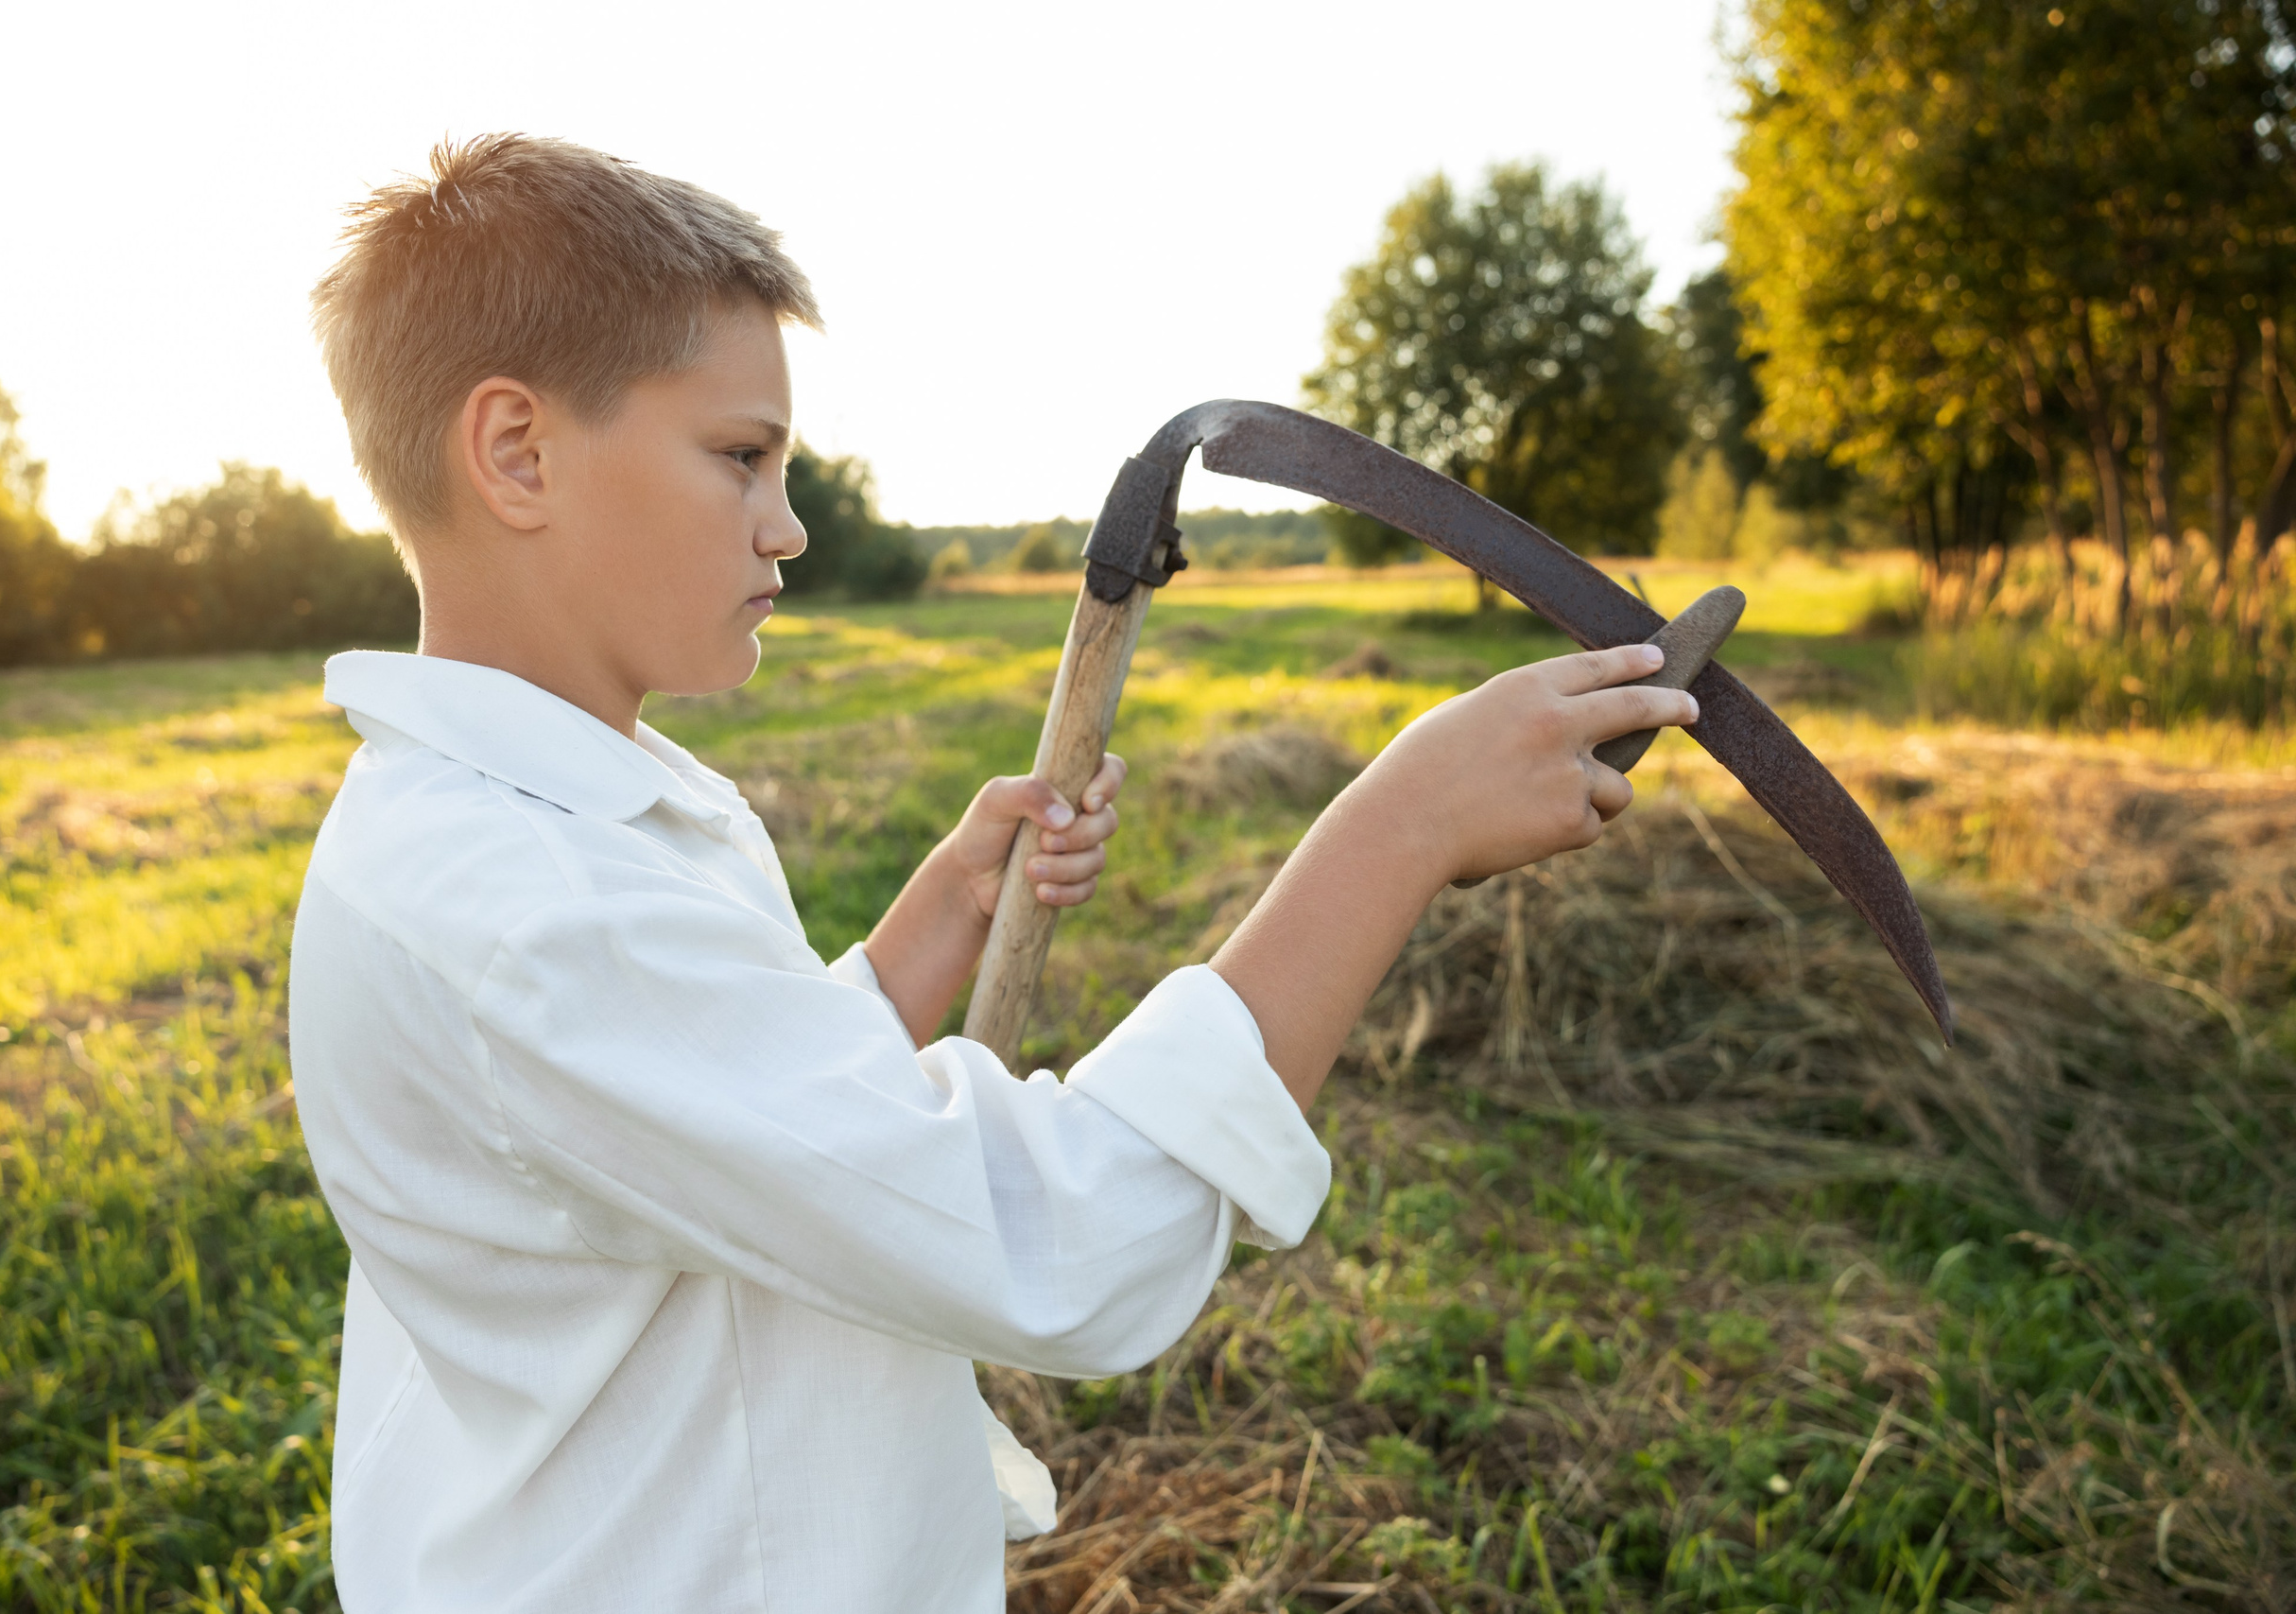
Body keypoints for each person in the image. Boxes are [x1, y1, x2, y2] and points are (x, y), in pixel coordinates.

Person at [288, 133, 1697, 1613]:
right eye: (740, 457)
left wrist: (937, 922)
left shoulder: (533, 818)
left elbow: (715, 1114)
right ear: (518, 453)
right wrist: (1400, 827)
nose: (789, 522)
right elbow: (1064, 1238)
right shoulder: (522, 912)